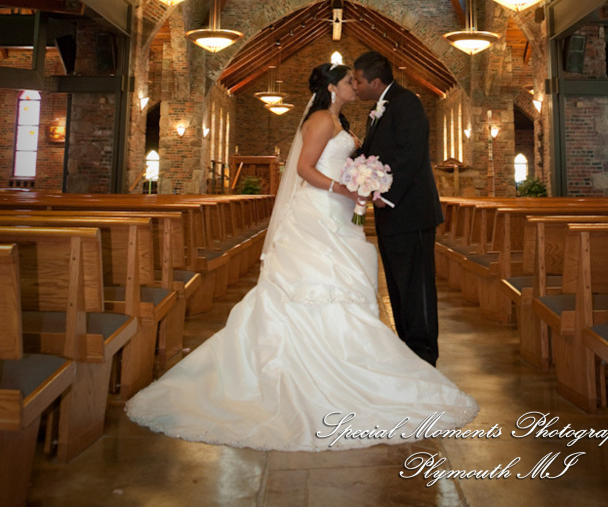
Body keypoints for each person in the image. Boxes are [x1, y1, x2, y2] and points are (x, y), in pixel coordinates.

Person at [125, 63, 477, 451]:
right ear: (332, 87)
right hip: (318, 215)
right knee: (309, 288)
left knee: (344, 289)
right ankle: (310, 372)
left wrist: (361, 182)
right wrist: (345, 189)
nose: (354, 86)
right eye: (348, 82)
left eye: (357, 81)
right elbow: (304, 169)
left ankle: (346, 364)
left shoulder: (339, 121)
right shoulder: (321, 122)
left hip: (339, 218)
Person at [353, 50, 442, 366]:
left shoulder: (407, 103)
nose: (356, 86)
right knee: (398, 285)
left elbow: (412, 154)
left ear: (376, 81)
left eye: (359, 81)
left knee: (416, 287)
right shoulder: (377, 110)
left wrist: (386, 194)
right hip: (391, 215)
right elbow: (370, 154)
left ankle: (424, 354)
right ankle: (408, 350)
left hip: (411, 212)